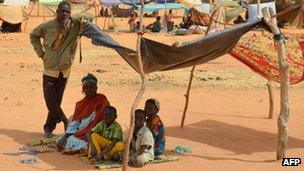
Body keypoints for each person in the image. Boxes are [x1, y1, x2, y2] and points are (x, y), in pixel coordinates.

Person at [29, 1, 93, 138]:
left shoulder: (75, 24)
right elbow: (33, 35)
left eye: (67, 12)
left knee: (56, 101)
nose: (64, 14)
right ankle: (64, 120)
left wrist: (73, 17)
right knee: (50, 100)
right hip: (50, 68)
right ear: (56, 12)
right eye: (62, 11)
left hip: (65, 69)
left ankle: (48, 127)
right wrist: (41, 53)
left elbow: (89, 16)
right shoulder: (47, 26)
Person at [55, 73, 109, 153]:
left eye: (92, 87)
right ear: (83, 89)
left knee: (94, 142)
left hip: (97, 133)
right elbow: (75, 123)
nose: (89, 89)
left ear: (96, 88)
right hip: (81, 133)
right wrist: (65, 137)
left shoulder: (102, 100)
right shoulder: (80, 104)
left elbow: (107, 118)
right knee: (64, 141)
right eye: (86, 87)